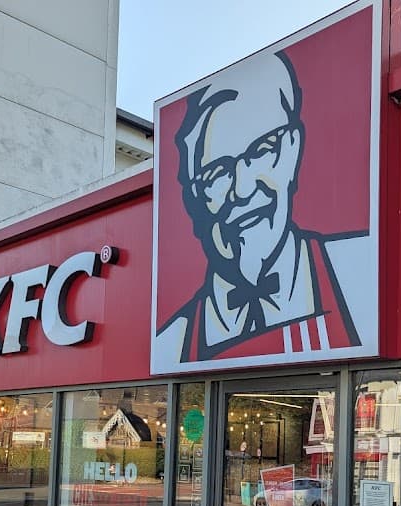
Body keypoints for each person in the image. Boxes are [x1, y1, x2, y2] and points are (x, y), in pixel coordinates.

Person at [154, 51, 373, 366]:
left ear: (293, 149)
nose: (242, 189)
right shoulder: (172, 344)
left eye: (262, 150)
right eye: (217, 172)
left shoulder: (360, 274)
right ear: (195, 196)